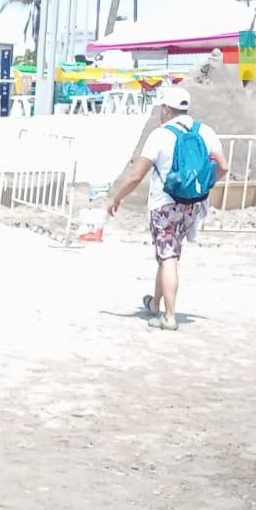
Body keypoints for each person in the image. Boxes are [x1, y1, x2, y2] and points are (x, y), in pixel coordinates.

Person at [107, 85, 228, 331]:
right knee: (168, 254)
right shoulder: (205, 131)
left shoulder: (160, 135)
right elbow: (223, 166)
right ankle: (154, 304)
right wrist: (203, 186)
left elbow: (135, 176)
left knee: (168, 256)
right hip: (192, 204)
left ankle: (169, 316)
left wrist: (117, 198)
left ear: (165, 109)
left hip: (164, 204)